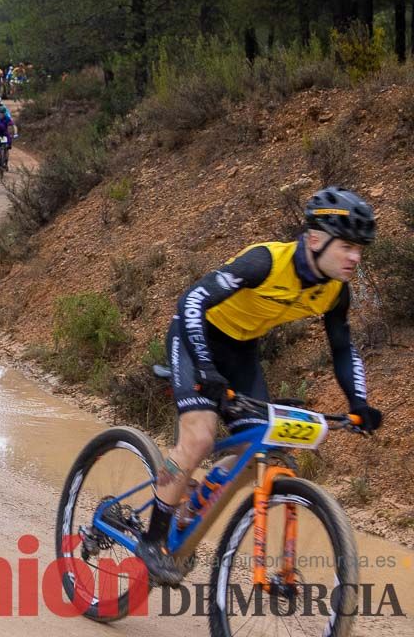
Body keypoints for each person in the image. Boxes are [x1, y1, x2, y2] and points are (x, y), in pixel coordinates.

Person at [135, 187, 384, 586]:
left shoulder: (336, 289)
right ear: (316, 239)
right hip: (195, 336)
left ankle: (190, 503)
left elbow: (342, 348)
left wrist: (359, 401)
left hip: (241, 352)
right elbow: (192, 301)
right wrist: (206, 370)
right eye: (348, 246)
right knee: (199, 439)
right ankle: (153, 538)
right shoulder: (266, 262)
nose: (355, 257)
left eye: (360, 248)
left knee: (256, 447)